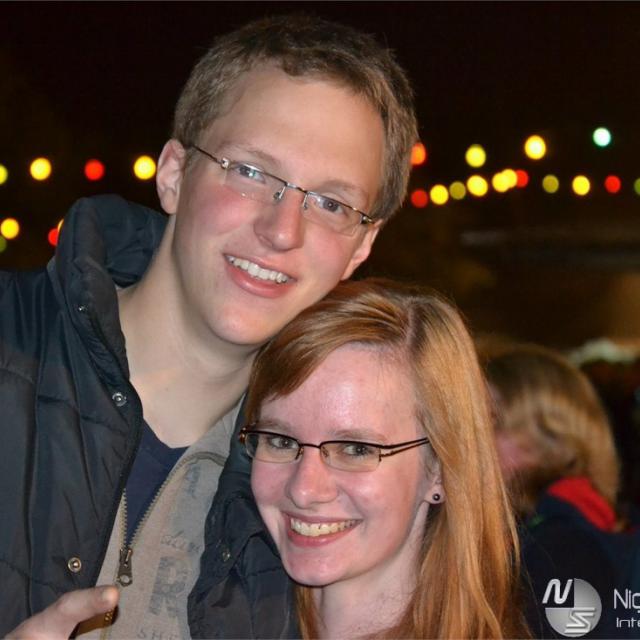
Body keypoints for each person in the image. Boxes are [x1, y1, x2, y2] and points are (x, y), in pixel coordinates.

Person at [1, 14, 417, 638]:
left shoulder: (322, 511)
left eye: (331, 203)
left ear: (361, 246)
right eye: (251, 173)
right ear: (174, 174)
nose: (282, 231)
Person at [238, 278, 528, 639]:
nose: (304, 489)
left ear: (440, 468)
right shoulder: (213, 613)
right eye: (280, 441)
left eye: (356, 449)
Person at [485, 345, 640, 639]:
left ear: (549, 437)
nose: (471, 441)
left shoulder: (561, 550)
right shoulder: (585, 523)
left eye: (492, 422)